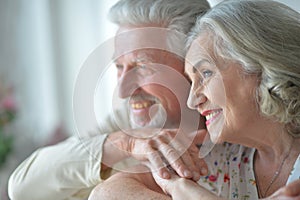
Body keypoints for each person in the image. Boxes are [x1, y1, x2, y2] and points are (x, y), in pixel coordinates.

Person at [89, 0, 300, 199]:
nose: (193, 99)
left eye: (206, 73)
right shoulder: (219, 157)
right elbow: (104, 194)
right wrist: (178, 187)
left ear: (260, 65)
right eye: (191, 79)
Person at [8, 0, 210, 199]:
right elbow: (22, 188)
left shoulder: (232, 130)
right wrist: (128, 143)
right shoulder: (127, 124)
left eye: (142, 66)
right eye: (119, 67)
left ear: (192, 67)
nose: (123, 91)